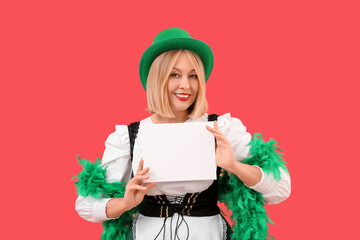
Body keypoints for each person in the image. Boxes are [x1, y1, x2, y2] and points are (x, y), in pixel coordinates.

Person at [74, 28, 291, 240]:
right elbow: (86, 205)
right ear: (156, 79)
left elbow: (281, 189)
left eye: (194, 75)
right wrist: (126, 203)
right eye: (174, 74)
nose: (186, 85)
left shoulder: (221, 128)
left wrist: (234, 166)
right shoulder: (127, 137)